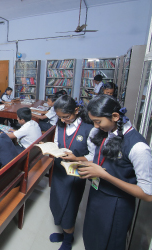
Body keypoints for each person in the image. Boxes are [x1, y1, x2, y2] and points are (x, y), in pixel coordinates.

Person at [77, 95, 152, 250]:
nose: (96, 126)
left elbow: (147, 194)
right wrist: (83, 165)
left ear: (115, 116)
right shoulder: (106, 133)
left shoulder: (138, 147)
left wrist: (105, 175)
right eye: (94, 122)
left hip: (116, 205)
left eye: (98, 121)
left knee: (108, 243)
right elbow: (105, 163)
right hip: (97, 194)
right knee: (92, 239)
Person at [49, 95, 97, 250]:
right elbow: (57, 141)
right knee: (57, 201)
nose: (63, 120)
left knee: (70, 205)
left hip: (76, 173)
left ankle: (68, 238)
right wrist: (52, 150)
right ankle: (64, 232)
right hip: (59, 170)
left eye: (66, 117)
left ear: (76, 110)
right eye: (60, 117)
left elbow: (93, 155)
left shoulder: (89, 129)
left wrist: (75, 157)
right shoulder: (61, 124)